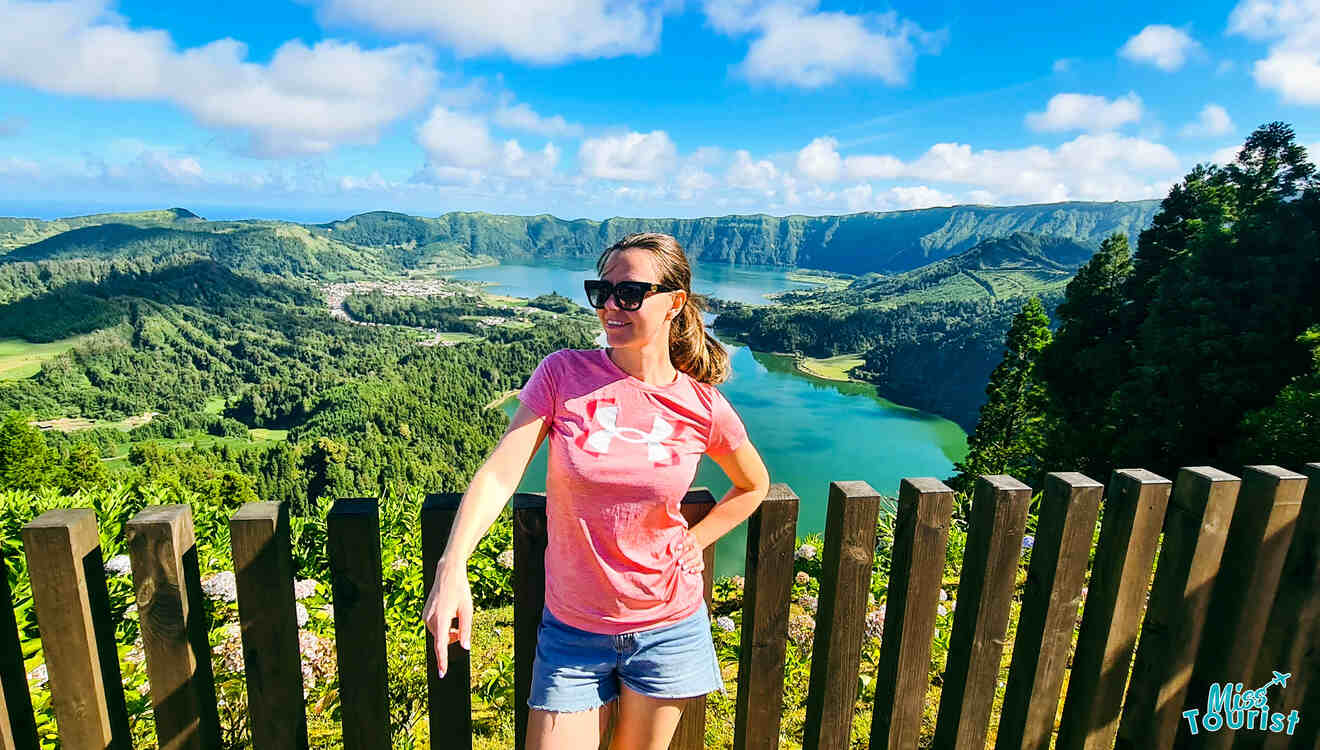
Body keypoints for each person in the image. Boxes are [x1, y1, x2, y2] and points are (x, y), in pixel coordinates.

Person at [423, 232, 771, 750]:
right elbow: (501, 471)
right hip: (574, 629)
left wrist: (693, 542)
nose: (610, 306)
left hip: (669, 626)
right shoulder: (564, 373)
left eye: (629, 293)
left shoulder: (702, 405)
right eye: (600, 291)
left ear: (674, 303)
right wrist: (453, 567)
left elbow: (752, 484)